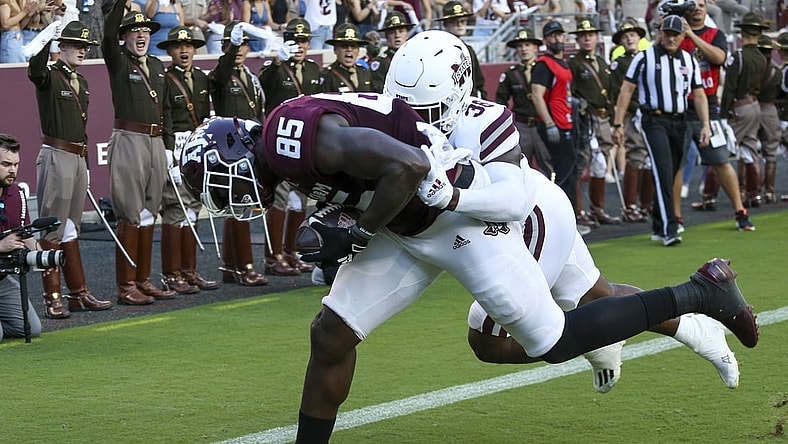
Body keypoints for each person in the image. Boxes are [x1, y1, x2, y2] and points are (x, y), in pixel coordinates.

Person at [180, 42, 758, 444]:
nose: (222, 198)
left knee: (552, 339)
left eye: (214, 184)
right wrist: (343, 235)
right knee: (330, 331)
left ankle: (697, 294)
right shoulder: (291, 143)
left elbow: (407, 167)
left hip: (464, 220)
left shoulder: (296, 141)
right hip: (409, 228)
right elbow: (370, 185)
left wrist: (354, 233)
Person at [386, 29, 740, 393]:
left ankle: (603, 336)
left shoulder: (483, 118)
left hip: (525, 221)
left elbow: (502, 196)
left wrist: (448, 198)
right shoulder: (395, 119)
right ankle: (695, 330)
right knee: (596, 295)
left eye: (425, 107)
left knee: (489, 341)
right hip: (534, 210)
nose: (414, 117)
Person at [27, 20, 114, 319]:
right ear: (61, 46)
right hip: (57, 154)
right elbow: (34, 71)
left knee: (71, 228)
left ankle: (79, 293)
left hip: (77, 157)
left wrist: (86, 164)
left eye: (85, 47)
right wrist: (43, 43)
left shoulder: (83, 81)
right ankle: (52, 296)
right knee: (52, 227)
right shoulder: (49, 75)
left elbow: (83, 127)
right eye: (76, 45)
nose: (82, 51)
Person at [103, 5, 178, 304]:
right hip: (129, 138)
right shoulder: (119, 61)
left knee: (149, 212)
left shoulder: (158, 66)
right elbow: (108, 33)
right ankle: (126, 285)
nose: (142, 36)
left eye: (146, 31)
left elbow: (168, 108)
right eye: (136, 31)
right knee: (130, 213)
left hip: (155, 140)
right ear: (125, 37)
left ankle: (144, 280)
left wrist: (169, 146)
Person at [612, 15, 708, 246]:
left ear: (683, 36)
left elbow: (698, 93)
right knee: (663, 170)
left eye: (676, 34)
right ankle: (669, 228)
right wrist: (617, 123)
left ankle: (658, 221)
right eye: (667, 33)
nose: (671, 38)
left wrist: (706, 124)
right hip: (653, 120)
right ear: (660, 33)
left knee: (671, 171)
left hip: (680, 121)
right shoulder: (644, 58)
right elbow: (626, 91)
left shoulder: (688, 59)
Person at [681, 0, 754, 232]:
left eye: (702, 4)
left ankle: (741, 211)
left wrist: (691, 36)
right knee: (675, 165)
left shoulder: (715, 34)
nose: (698, 8)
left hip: (708, 106)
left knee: (721, 160)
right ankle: (674, 219)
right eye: (693, 4)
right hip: (679, 107)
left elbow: (718, 58)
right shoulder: (674, 33)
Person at [157, 25, 218, 294]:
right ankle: (172, 274)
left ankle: (189, 270)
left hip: (195, 144)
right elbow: (166, 115)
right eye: (178, 47)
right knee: (175, 206)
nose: (184, 51)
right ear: (170, 51)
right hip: (176, 143)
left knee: (193, 206)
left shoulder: (202, 78)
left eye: (189, 47)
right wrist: (168, 149)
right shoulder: (166, 78)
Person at [208, 20, 268, 286]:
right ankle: (244, 266)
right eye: (235, 45)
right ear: (225, 47)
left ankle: (231, 266)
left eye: (244, 44)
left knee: (240, 205)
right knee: (241, 203)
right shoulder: (221, 74)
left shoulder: (251, 77)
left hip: (249, 146)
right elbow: (219, 78)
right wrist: (230, 50)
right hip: (231, 148)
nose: (241, 50)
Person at [259, 16, 320, 277]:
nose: (300, 46)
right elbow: (264, 87)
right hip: (281, 141)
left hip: (306, 143)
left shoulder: (313, 70)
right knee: (280, 198)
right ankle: (273, 256)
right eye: (295, 40)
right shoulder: (275, 67)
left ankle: (292, 251)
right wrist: (277, 62)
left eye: (304, 40)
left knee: (299, 199)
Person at [568, 17, 621, 227]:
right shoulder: (573, 63)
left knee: (601, 163)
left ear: (597, 37)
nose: (587, 39)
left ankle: (598, 209)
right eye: (582, 36)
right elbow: (569, 92)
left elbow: (612, 92)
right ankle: (579, 211)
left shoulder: (602, 62)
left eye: (590, 35)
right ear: (578, 40)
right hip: (585, 118)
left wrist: (614, 120)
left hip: (603, 116)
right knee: (583, 163)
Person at [531, 21, 578, 222]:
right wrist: (549, 123)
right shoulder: (544, 65)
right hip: (554, 124)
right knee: (563, 173)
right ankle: (561, 219)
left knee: (570, 171)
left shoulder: (563, 64)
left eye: (559, 35)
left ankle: (569, 217)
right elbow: (536, 95)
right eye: (552, 35)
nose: (557, 39)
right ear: (545, 40)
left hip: (565, 121)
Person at [720, 13, 768, 209]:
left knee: (720, 152)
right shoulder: (761, 57)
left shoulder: (739, 56)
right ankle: (754, 193)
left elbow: (730, 88)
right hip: (754, 104)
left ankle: (709, 195)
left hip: (740, 106)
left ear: (743, 33)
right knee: (749, 149)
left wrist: (722, 115)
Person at [609, 18, 653, 223]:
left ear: (639, 37)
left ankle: (647, 203)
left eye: (632, 35)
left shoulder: (647, 58)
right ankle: (631, 205)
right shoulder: (620, 64)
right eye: (625, 37)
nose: (629, 39)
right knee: (636, 155)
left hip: (649, 112)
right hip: (632, 113)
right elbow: (618, 92)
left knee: (648, 158)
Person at [0, 134, 42, 343]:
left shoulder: (16, 193)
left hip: (2, 278)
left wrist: (40, 253)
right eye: (6, 164)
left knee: (31, 329)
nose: (13, 170)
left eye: (16, 164)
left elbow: (26, 234)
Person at [495, 28, 553, 178]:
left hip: (543, 124)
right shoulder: (510, 74)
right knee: (520, 167)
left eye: (527, 44)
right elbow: (501, 101)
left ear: (535, 47)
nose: (524, 49)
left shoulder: (544, 69)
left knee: (549, 165)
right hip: (522, 126)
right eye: (520, 46)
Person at [435, 0, 485, 99]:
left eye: (463, 21)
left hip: (469, 101)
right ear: (445, 25)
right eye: (454, 22)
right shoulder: (439, 50)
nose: (460, 25)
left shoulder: (469, 50)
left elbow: (478, 82)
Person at [755, 35, 782, 205]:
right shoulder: (776, 71)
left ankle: (749, 191)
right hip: (770, 109)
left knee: (748, 151)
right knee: (770, 153)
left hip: (752, 106)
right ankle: (769, 192)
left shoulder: (752, 68)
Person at [369, 11, 413, 93]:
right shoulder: (380, 62)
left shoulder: (416, 59)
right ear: (386, 36)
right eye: (392, 32)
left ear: (407, 34)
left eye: (401, 31)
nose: (397, 35)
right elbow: (378, 90)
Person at [321, 22, 371, 92]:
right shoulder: (328, 75)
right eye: (344, 46)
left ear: (358, 50)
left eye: (353, 46)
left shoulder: (365, 72)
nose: (349, 49)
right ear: (335, 50)